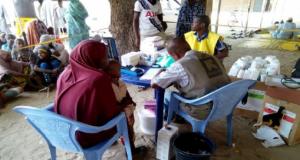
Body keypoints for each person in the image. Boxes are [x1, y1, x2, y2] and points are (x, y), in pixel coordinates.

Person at [55, 40, 146, 157]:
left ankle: (114, 141)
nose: (107, 61)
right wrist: (129, 106)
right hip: (87, 136)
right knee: (127, 115)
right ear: (92, 59)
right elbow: (112, 112)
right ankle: (132, 152)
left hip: (64, 132)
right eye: (105, 58)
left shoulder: (65, 73)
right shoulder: (98, 79)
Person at [151, 37, 230, 119]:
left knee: (168, 95)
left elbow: (155, 84)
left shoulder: (180, 65)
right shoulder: (212, 56)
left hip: (204, 111)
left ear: (175, 55)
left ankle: (172, 117)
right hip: (225, 105)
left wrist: (160, 71)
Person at [105, 60, 136, 149]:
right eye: (118, 69)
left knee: (130, 125)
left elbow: (126, 95)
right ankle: (130, 149)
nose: (120, 71)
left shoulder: (120, 82)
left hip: (125, 108)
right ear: (110, 72)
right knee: (127, 129)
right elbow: (111, 105)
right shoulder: (107, 86)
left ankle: (129, 143)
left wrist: (130, 104)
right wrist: (124, 108)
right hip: (118, 112)